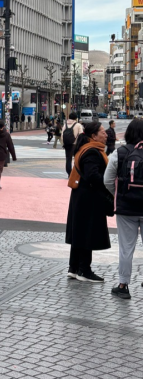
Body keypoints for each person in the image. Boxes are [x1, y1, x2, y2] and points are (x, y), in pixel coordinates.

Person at [66, 121, 111, 283]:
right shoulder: (92, 151)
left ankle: (74, 268)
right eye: (102, 132)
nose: (106, 134)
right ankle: (84, 270)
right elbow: (93, 175)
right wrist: (108, 184)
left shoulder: (85, 148)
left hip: (81, 196)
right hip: (89, 198)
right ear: (94, 136)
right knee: (87, 232)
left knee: (79, 231)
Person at [104, 119, 143, 299]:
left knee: (126, 248)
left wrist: (118, 195)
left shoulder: (119, 153)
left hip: (126, 208)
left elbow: (107, 180)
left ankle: (123, 285)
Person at [62, 112, 83, 177]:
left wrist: (64, 143)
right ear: (76, 118)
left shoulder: (65, 125)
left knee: (68, 159)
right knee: (77, 158)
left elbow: (62, 135)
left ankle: (69, 173)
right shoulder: (78, 125)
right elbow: (81, 135)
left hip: (67, 144)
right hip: (75, 144)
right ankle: (76, 173)